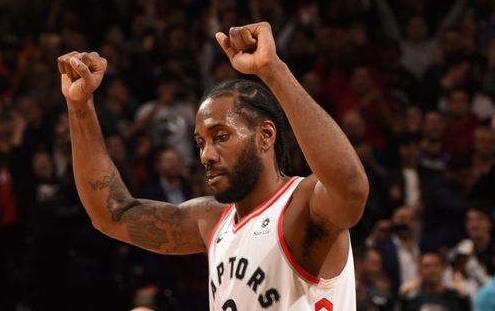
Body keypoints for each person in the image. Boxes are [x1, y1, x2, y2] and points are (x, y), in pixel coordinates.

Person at [57, 22, 369, 309]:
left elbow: (351, 189)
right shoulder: (211, 220)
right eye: (200, 143)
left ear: (265, 136)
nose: (206, 154)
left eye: (221, 136)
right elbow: (111, 214)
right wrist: (80, 105)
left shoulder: (303, 207)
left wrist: (272, 70)